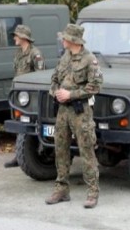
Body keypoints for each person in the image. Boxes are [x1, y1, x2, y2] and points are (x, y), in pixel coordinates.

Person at [45, 24, 103, 209]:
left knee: (86, 150)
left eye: (65, 38)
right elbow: (54, 79)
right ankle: (61, 189)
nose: (63, 40)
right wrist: (55, 92)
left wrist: (71, 94)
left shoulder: (89, 59)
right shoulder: (65, 57)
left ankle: (93, 192)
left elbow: (95, 86)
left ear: (73, 41)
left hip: (80, 112)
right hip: (62, 111)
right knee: (60, 149)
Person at [4, 24, 45, 168]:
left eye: (16, 35)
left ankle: (37, 152)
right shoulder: (18, 53)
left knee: (34, 123)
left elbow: (41, 76)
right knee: (19, 124)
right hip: (19, 94)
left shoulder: (35, 54)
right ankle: (20, 154)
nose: (14, 38)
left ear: (23, 37)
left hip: (31, 96)